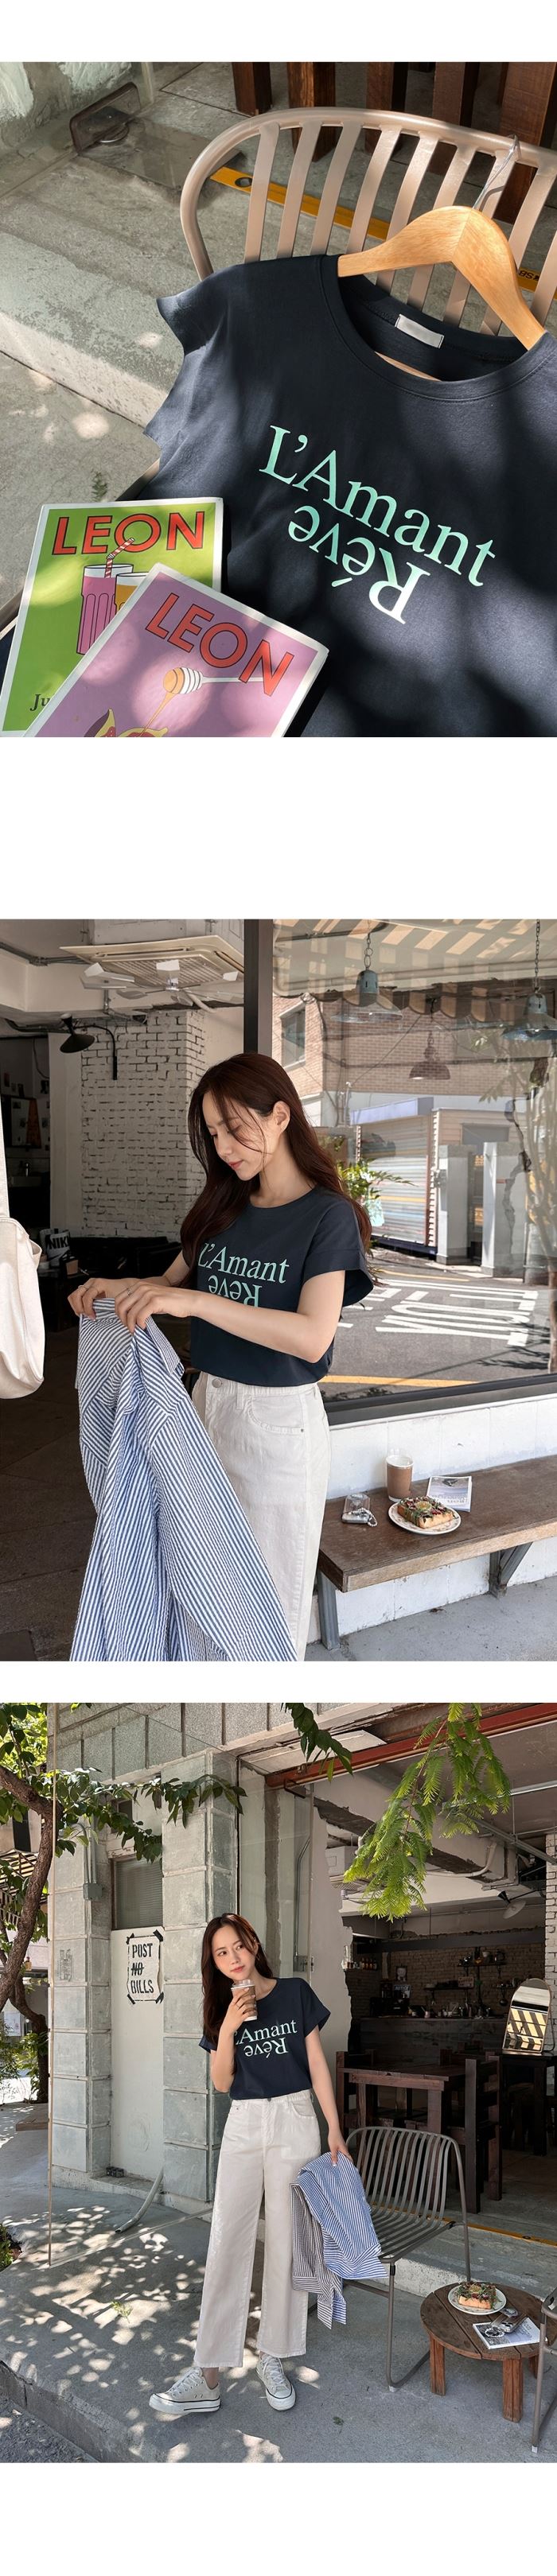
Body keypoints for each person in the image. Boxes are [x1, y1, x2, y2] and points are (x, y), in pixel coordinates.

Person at [69, 1051, 372, 1654]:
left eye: (234, 1128)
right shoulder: (223, 1206)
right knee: (197, 1586)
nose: (224, 1147)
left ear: (281, 1115)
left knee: (265, 1602)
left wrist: (198, 1304)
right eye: (213, 1134)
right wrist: (113, 1288)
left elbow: (312, 1335)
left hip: (278, 1426)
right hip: (205, 1407)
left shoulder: (327, 1217)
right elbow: (167, 1286)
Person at [150, 1911, 349, 2419]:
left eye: (238, 1946)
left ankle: (274, 2357)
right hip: (243, 2122)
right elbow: (221, 2082)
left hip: (294, 2117)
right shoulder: (221, 2010)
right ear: (214, 1963)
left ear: (253, 1944)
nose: (233, 1957)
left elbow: (316, 2064)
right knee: (227, 2237)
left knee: (287, 2239)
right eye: (221, 1953)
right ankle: (208, 2373)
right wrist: (230, 2028)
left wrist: (333, 2126)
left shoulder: (295, 1993)